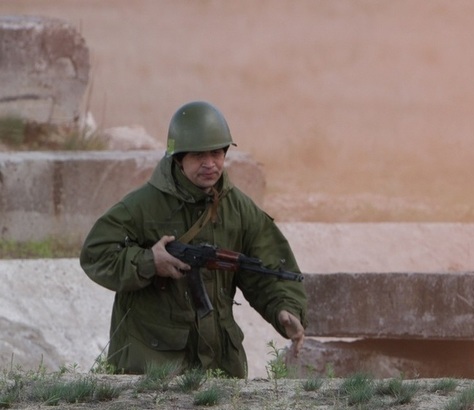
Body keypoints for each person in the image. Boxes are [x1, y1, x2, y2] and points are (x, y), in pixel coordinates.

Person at [80, 101, 307, 379]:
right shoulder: (143, 205)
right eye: (199, 156)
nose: (210, 164)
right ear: (178, 158)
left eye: (216, 153)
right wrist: (150, 262)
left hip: (219, 364)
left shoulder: (238, 209)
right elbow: (96, 253)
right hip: (150, 364)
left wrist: (284, 308)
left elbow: (266, 267)